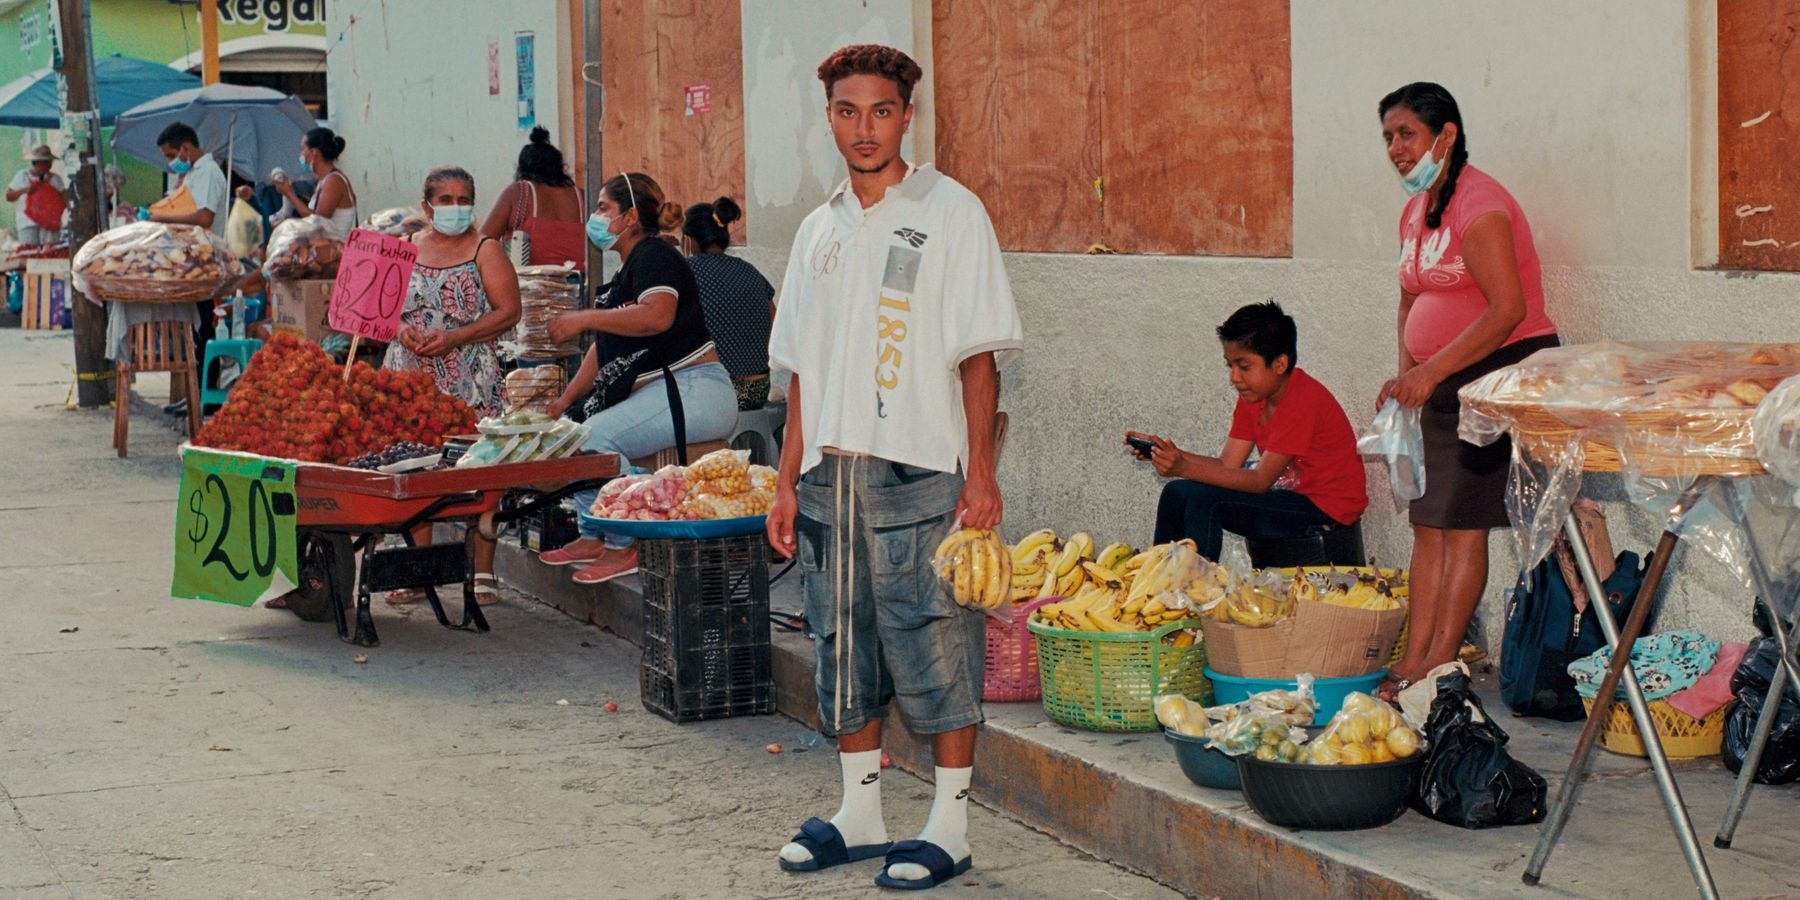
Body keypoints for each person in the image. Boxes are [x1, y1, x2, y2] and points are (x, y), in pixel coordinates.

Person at [765, 44, 1023, 891]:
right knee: (843, 644)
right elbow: (800, 367)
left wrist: (979, 473)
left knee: (936, 642)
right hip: (829, 475)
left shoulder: (951, 212)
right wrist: (785, 476)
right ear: (829, 117)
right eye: (847, 111)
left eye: (881, 111)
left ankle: (949, 826)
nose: (864, 128)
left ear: (908, 116)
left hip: (920, 468)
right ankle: (862, 812)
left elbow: (979, 356)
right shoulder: (818, 230)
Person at [1375, 83, 1560, 700]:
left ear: (1445, 135)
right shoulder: (1416, 208)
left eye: (1406, 134)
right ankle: (1416, 655)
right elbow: (1408, 299)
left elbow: (1508, 309)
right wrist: (1406, 372)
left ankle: (1438, 663)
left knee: (1460, 525)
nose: (1396, 149)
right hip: (1438, 384)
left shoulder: (1480, 205)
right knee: (1428, 524)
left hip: (1494, 374)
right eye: (1388, 138)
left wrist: (1430, 373)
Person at [536, 172, 737, 585]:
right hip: (674, 392)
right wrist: (561, 403)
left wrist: (582, 317)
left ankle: (622, 543)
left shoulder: (655, 256)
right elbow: (604, 348)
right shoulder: (628, 271)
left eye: (602, 208)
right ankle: (594, 533)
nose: (594, 217)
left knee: (592, 438)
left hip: (696, 390)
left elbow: (657, 315)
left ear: (628, 217)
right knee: (573, 434)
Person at [1132, 301, 1367, 562]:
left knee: (1205, 500)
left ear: (1279, 364)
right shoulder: (1253, 397)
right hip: (1286, 497)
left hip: (1323, 509)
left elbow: (1259, 481)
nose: (1234, 377)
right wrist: (1170, 455)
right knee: (1176, 492)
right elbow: (1227, 464)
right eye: (1229, 366)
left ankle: (1198, 592)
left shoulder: (1302, 399)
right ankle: (1158, 583)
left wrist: (1183, 467)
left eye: (1244, 367)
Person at [382, 166, 521, 603]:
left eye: (464, 199)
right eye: (446, 200)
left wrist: (457, 337)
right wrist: (400, 330)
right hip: (410, 381)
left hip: (471, 381)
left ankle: (482, 572)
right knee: (413, 467)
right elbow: (380, 308)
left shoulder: (486, 250)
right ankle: (418, 572)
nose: (456, 208)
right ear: (427, 206)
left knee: (479, 470)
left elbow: (509, 311)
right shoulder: (404, 249)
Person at [681, 197, 775, 410]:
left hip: (717, 393)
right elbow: (774, 323)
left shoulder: (685, 273)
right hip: (758, 389)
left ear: (686, 240)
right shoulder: (750, 270)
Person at [480, 126, 586, 270]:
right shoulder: (582, 197)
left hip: (530, 288)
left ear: (523, 168)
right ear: (560, 167)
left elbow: (482, 243)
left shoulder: (519, 192)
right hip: (579, 286)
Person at [272, 127, 358, 240]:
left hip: (334, 252)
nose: (301, 154)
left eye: (303, 149)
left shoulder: (334, 181)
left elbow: (317, 222)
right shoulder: (324, 180)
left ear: (314, 153)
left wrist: (289, 194)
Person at [6, 145, 66, 245]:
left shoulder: (55, 179)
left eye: (49, 162)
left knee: (49, 252)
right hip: (27, 223)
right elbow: (9, 196)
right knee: (30, 251)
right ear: (36, 163)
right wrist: (25, 190)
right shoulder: (23, 176)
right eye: (45, 162)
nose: (49, 165)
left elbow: (65, 198)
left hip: (49, 224)